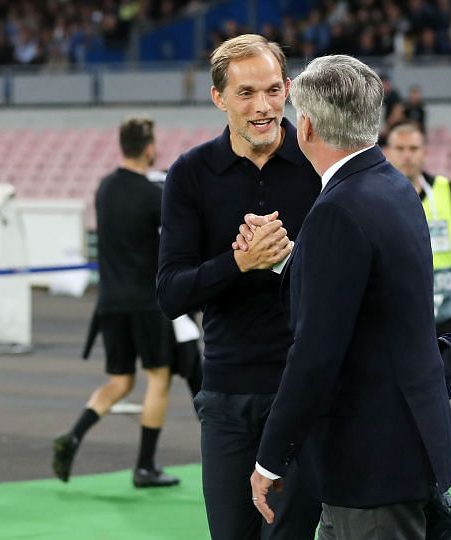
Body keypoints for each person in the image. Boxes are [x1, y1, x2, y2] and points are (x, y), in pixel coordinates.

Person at [250, 54, 451, 540]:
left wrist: (270, 455)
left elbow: (316, 353)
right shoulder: (394, 187)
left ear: (305, 127)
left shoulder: (339, 209)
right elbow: (370, 300)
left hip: (368, 461)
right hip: (403, 445)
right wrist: (291, 261)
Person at [156, 34, 322, 539]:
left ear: (289, 89)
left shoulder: (323, 165)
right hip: (227, 394)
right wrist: (239, 262)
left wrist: (294, 259)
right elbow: (171, 294)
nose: (264, 106)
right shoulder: (190, 174)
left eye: (273, 90)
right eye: (246, 93)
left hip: (305, 390)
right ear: (219, 98)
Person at [53, 116, 198, 489]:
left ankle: (73, 435)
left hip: (109, 302)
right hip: (146, 302)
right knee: (158, 378)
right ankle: (145, 466)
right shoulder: (153, 195)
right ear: (149, 148)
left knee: (119, 381)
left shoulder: (104, 188)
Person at [384, 121, 451, 336]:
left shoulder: (444, 189)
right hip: (397, 308)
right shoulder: (376, 193)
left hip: (444, 307)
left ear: (424, 152)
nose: (407, 156)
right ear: (388, 152)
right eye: (400, 149)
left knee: (445, 368)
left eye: (413, 148)